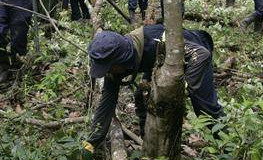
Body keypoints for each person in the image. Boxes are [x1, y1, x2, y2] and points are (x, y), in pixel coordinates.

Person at [84, 24, 225, 150]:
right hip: (162, 62)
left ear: (122, 61)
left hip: (195, 55)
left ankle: (229, 144)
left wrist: (182, 87)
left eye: (109, 68)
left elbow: (200, 55)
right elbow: (107, 102)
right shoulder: (120, 62)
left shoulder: (154, 42)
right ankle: (149, 143)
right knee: (143, 95)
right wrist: (91, 142)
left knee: (204, 108)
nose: (108, 73)